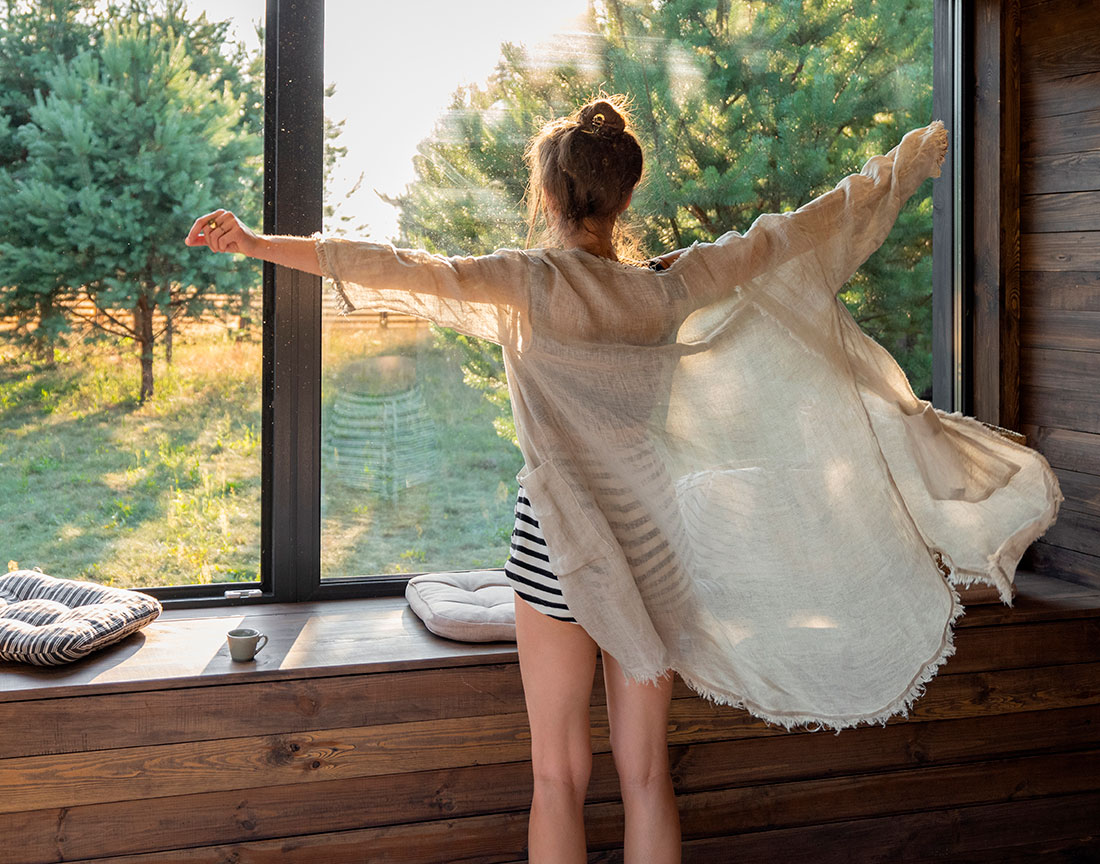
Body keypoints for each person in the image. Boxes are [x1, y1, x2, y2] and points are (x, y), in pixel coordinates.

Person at [185, 96, 1052, 864]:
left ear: (552, 196)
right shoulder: (669, 287)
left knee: (558, 777)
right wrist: (901, 166)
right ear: (625, 197)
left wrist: (259, 243)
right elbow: (793, 231)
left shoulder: (527, 282)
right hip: (655, 543)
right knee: (645, 778)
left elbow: (394, 265)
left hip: (555, 546)